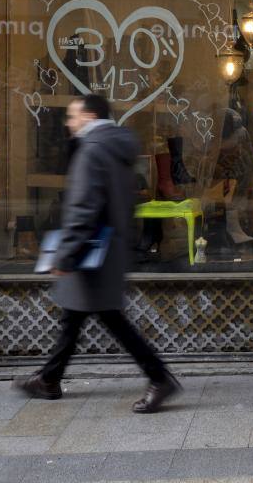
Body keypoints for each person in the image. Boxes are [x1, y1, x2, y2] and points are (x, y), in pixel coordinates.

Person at [15, 94, 182, 414]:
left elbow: (83, 207)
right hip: (107, 248)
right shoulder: (118, 147)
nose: (68, 123)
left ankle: (159, 378)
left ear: (90, 116)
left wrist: (65, 255)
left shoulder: (92, 150)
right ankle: (49, 379)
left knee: (111, 320)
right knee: (74, 317)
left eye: (73, 116)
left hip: (90, 253)